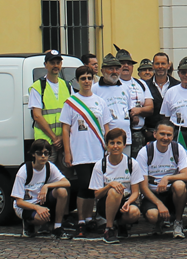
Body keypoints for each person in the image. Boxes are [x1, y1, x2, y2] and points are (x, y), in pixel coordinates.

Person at [60, 64, 111, 238]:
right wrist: (68, 153)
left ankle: (90, 218)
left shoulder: (100, 101)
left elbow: (106, 127)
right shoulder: (71, 102)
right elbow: (65, 129)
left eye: (89, 78)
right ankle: (81, 220)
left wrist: (109, 149)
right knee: (83, 186)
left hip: (97, 152)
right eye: (83, 78)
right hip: (80, 152)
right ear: (77, 81)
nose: (87, 81)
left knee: (94, 188)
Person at [137, 119, 187, 238]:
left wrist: (167, 178)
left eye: (169, 135)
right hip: (151, 194)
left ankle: (177, 221)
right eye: (162, 134)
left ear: (173, 136)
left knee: (180, 185)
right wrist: (159, 203)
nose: (165, 138)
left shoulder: (178, 149)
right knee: (153, 215)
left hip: (170, 193)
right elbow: (143, 186)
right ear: (155, 134)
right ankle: (160, 220)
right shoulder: (144, 152)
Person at [90, 127, 143, 244]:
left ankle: (120, 224)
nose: (115, 146)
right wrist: (110, 186)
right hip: (105, 204)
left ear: (124, 145)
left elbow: (135, 192)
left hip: (125, 201)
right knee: (115, 190)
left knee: (135, 213)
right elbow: (97, 194)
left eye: (119, 143)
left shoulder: (132, 163)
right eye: (112, 143)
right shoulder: (100, 165)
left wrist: (128, 203)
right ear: (107, 145)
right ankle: (108, 229)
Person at [14, 140, 71, 238]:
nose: (43, 156)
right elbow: (19, 202)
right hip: (26, 206)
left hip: (41, 201)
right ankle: (29, 223)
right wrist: (37, 208)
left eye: (46, 153)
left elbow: (66, 183)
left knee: (62, 191)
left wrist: (47, 186)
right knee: (42, 218)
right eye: (40, 153)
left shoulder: (49, 166)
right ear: (33, 154)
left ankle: (57, 227)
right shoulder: (23, 171)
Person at [29, 50, 73, 170]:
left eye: (58, 62)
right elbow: (37, 116)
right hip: (46, 143)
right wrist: (54, 138)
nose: (55, 65)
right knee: (45, 175)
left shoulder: (67, 86)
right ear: (45, 65)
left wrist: (62, 138)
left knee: (65, 178)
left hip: (64, 142)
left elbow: (73, 114)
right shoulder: (38, 87)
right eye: (52, 62)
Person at [93, 54, 135, 154]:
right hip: (106, 140)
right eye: (110, 69)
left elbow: (129, 109)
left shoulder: (125, 88)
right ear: (102, 71)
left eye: (117, 68)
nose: (114, 72)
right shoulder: (95, 89)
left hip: (126, 139)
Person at [118, 48, 154, 152]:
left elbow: (150, 107)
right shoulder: (113, 85)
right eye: (122, 63)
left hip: (138, 132)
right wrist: (130, 115)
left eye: (129, 63)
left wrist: (138, 111)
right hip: (120, 133)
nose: (126, 66)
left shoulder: (141, 84)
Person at [147, 52, 179, 136]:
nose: (160, 66)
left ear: (168, 66)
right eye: (157, 64)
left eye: (163, 64)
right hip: (150, 133)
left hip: (173, 133)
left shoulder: (177, 85)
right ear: (153, 66)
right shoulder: (144, 86)